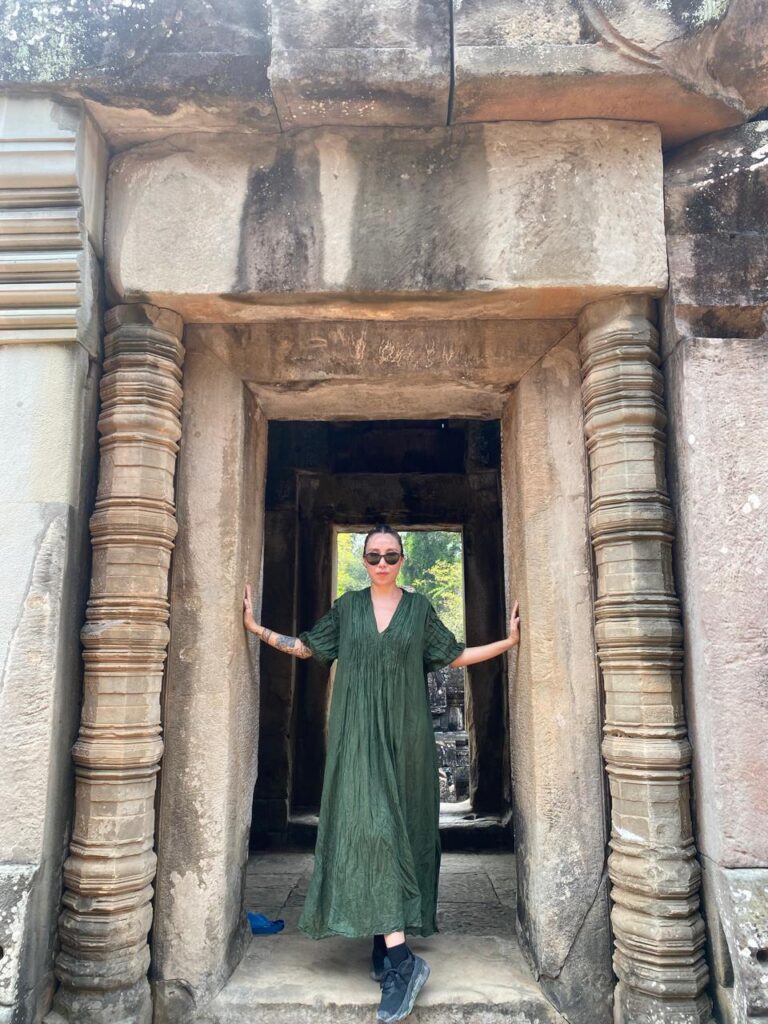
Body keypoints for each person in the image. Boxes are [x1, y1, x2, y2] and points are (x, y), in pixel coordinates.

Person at [243, 523, 521, 1023]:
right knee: (371, 829)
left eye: (391, 555)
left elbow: (454, 655)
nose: (382, 564)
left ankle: (383, 941)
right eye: (374, 555)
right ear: (363, 559)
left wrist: (509, 642)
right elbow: (307, 647)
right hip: (356, 738)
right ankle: (402, 961)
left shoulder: (419, 611)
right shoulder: (348, 608)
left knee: (402, 832)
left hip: (407, 740)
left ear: (402, 559)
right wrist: (257, 629)